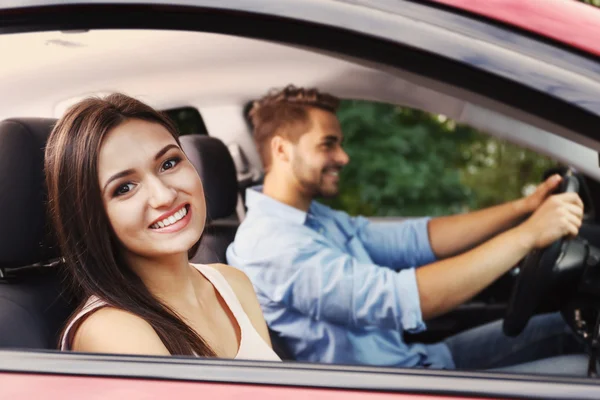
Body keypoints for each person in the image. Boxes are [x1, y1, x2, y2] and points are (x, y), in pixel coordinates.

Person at [226, 85, 587, 374]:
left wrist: (523, 209)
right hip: (399, 387)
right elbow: (397, 300)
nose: (343, 157)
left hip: (419, 361)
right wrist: (528, 235)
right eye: (328, 144)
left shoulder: (314, 217)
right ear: (282, 150)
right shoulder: (271, 245)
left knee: (564, 327)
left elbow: (413, 239)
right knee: (584, 372)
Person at [45, 93, 280, 361]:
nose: (164, 196)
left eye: (169, 163)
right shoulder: (112, 330)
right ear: (90, 216)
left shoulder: (233, 283)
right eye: (124, 188)